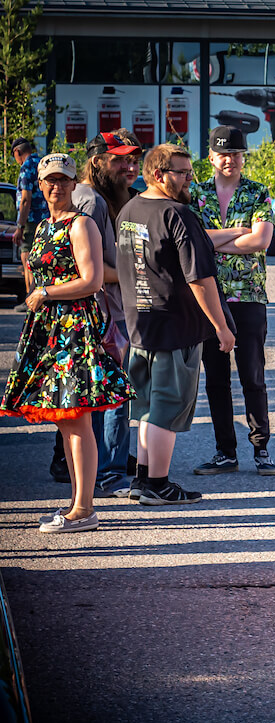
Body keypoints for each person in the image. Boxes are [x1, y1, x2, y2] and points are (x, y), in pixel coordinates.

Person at [0, 153, 133, 532]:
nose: (56, 186)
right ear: (39, 185)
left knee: (77, 419)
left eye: (63, 180)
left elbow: (92, 281)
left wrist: (45, 291)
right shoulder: (43, 226)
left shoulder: (81, 224)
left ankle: (84, 509)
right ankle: (76, 504)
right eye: (49, 180)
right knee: (64, 420)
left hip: (74, 328)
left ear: (75, 184)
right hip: (50, 330)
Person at [116, 143, 235, 504]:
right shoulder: (176, 213)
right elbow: (199, 278)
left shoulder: (129, 210)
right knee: (166, 408)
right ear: (158, 174)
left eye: (189, 171)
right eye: (181, 172)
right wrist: (221, 326)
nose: (189, 179)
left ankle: (142, 479)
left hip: (140, 325)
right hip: (174, 327)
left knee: (148, 408)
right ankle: (158, 484)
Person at [189, 125, 275, 477]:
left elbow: (261, 241)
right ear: (211, 157)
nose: (230, 159)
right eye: (223, 153)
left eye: (236, 153)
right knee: (215, 379)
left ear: (244, 157)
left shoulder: (257, 192)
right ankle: (225, 451)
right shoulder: (195, 194)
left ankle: (261, 448)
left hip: (250, 296)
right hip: (209, 297)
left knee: (253, 376)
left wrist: (212, 241)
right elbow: (191, 242)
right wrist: (235, 233)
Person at [76, 131, 143, 498]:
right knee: (115, 396)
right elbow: (96, 269)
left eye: (133, 159)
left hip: (105, 311)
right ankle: (111, 473)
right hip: (106, 314)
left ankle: (102, 466)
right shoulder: (93, 201)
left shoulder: (104, 197)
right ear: (97, 161)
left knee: (99, 394)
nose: (129, 166)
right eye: (119, 160)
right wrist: (146, 274)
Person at [12, 138, 49, 314]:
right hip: (46, 218)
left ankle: (30, 298)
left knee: (27, 258)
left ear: (17, 152)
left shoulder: (26, 167)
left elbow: (25, 199)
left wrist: (20, 225)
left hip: (31, 219)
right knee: (41, 259)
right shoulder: (42, 163)